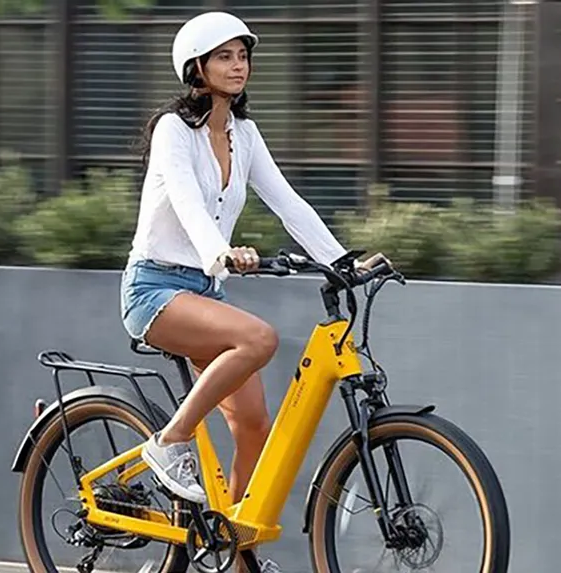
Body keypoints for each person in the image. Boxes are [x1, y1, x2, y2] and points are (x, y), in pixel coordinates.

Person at [122, 10, 388, 572]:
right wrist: (220, 251)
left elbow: (288, 202)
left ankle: (233, 553)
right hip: (154, 290)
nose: (238, 65)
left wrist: (341, 261)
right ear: (196, 67)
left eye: (243, 55)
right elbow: (192, 205)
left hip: (202, 295)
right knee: (259, 339)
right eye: (225, 56)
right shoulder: (175, 130)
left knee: (253, 428)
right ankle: (170, 442)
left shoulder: (243, 134)